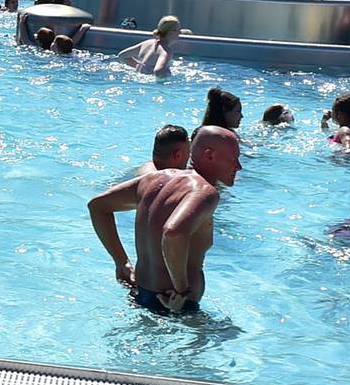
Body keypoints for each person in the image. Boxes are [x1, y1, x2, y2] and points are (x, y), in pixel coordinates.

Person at [85, 126, 241, 315]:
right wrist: (181, 291)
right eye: (234, 158)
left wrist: (122, 262)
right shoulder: (204, 192)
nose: (238, 166)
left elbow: (97, 206)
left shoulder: (153, 179)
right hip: (175, 306)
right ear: (209, 155)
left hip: (140, 296)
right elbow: (173, 232)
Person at [118, 16, 183, 76]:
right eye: (178, 30)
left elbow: (122, 56)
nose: (180, 33)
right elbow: (158, 71)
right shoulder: (165, 51)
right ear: (170, 33)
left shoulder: (147, 43)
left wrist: (140, 66)